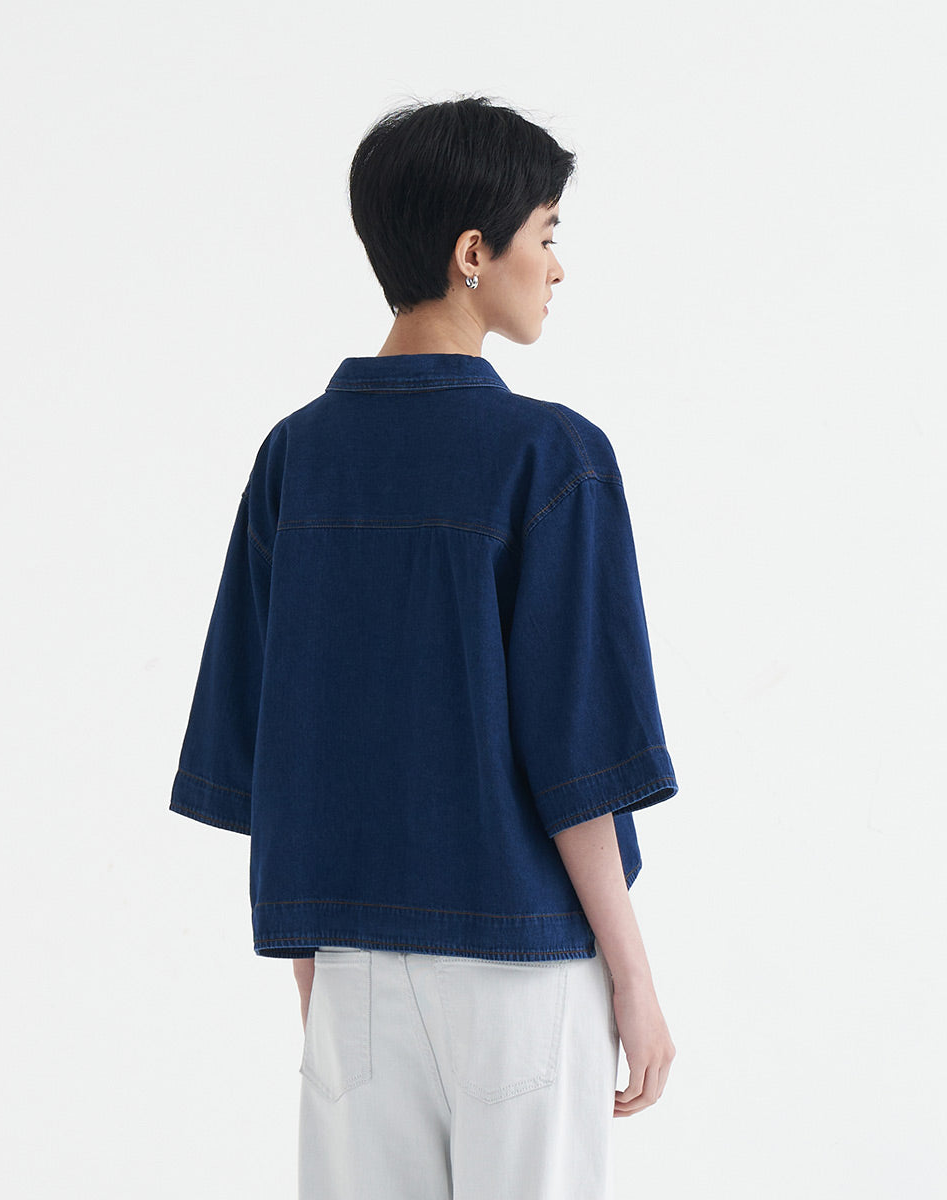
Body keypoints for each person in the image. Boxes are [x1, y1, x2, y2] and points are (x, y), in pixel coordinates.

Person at [170, 94, 679, 1200]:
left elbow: (269, 741)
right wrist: (633, 977)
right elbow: (579, 753)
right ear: (472, 253)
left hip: (351, 969)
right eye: (546, 233)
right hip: (523, 965)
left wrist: (316, 974)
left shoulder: (296, 458)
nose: (557, 266)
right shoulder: (551, 457)